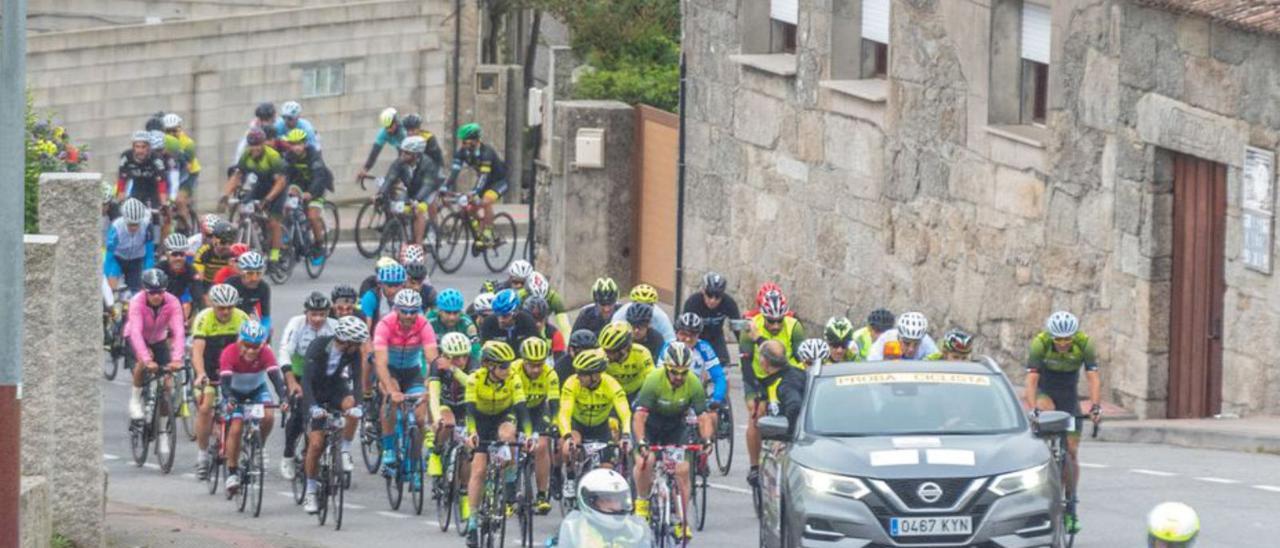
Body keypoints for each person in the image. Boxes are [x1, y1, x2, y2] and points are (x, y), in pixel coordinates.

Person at [1024, 311, 1101, 534]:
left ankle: (1071, 505)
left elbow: (1093, 377)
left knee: (1073, 452)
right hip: (1045, 392)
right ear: (1052, 336)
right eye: (1059, 339)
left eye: (1068, 338)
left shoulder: (1084, 343)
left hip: (1068, 397)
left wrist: (1095, 407)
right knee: (1046, 409)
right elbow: (1031, 380)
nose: (1064, 343)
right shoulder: (1040, 343)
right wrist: (1033, 410)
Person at [631, 343, 714, 541]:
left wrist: (707, 440)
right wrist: (642, 442)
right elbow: (640, 417)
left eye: (683, 372)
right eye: (674, 372)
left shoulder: (693, 383)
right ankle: (642, 502)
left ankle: (681, 519)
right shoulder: (653, 381)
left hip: (675, 427)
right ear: (666, 368)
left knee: (682, 470)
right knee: (647, 461)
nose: (679, 377)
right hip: (650, 425)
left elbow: (703, 416)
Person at [462, 341, 532, 547]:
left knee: (509, 435)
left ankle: (509, 481)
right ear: (489, 366)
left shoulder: (513, 378)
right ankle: (473, 522)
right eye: (503, 366)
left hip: (503, 415)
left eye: (509, 364)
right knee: (478, 470)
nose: (508, 369)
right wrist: (472, 433)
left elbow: (521, 408)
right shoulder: (475, 379)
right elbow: (469, 411)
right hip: (481, 420)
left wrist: (527, 435)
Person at [299, 316, 367, 514]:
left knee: (351, 406)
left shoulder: (353, 353)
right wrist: (312, 407)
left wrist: (360, 406)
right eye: (357, 343)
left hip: (335, 388)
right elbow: (306, 382)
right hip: (315, 392)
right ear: (346, 342)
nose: (360, 347)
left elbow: (357, 379)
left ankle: (344, 449)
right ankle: (311, 491)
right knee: (317, 444)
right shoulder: (318, 347)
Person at [739, 290, 805, 490]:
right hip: (758, 378)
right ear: (763, 316)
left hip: (786, 375)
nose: (776, 325)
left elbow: (801, 358)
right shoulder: (749, 328)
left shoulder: (795, 327)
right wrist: (753, 395)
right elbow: (746, 365)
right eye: (771, 321)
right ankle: (754, 466)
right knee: (756, 415)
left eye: (779, 321)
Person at [372, 289, 440, 468]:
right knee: (390, 397)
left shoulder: (424, 324)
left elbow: (432, 358)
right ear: (396, 309)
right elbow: (380, 363)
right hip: (390, 371)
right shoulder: (385, 325)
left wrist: (429, 385)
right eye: (404, 311)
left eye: (413, 312)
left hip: (412, 372)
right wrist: (390, 389)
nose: (409, 316)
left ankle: (414, 458)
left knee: (419, 418)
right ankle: (388, 447)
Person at [218, 320, 286, 494]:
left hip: (256, 390)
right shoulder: (229, 352)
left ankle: (258, 446)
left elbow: (276, 378)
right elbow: (224, 384)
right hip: (234, 392)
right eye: (247, 345)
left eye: (255, 346)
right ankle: (232, 472)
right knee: (236, 428)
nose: (250, 350)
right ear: (240, 341)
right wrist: (230, 398)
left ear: (262, 344)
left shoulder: (266, 353)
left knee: (269, 416)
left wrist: (284, 397)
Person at [190, 284, 250, 479]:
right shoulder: (203, 318)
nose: (225, 312)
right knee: (206, 407)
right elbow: (197, 351)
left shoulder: (241, 318)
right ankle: (202, 454)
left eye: (229, 307)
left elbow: (248, 349)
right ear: (213, 305)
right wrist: (200, 374)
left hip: (231, 369)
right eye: (221, 308)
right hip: (208, 368)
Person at [278, 292, 338, 480]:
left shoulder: (335, 327)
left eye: (322, 314)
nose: (318, 319)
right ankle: (288, 454)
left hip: (322, 375)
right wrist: (291, 381)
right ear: (306, 313)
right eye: (314, 314)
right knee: (297, 413)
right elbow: (284, 351)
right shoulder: (296, 324)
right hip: (298, 372)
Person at [557, 350, 631, 488]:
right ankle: (570, 478)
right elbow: (564, 412)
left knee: (607, 468)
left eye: (582, 374)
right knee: (568, 447)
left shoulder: (611, 384)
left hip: (601, 428)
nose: (578, 377)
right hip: (577, 426)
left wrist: (626, 434)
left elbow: (625, 412)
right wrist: (567, 436)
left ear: (595, 375)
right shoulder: (571, 383)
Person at [125, 269, 186, 421]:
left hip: (158, 338)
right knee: (142, 362)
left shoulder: (173, 302)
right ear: (145, 290)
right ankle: (135, 400)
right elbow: (136, 333)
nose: (157, 296)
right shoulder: (136, 302)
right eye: (152, 292)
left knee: (167, 385)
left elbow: (178, 331)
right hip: (136, 337)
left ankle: (164, 435)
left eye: (160, 292)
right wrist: (146, 359)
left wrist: (177, 358)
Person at [222, 127, 288, 264]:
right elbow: (237, 176)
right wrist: (226, 194)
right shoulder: (246, 155)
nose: (255, 148)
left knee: (273, 221)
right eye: (252, 145)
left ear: (263, 143)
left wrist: (267, 199)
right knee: (244, 209)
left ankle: (275, 255)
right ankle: (253, 237)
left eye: (258, 145)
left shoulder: (272, 156)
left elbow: (281, 182)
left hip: (277, 188)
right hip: (261, 185)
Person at [513, 336, 559, 515]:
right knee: (510, 443)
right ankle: (509, 489)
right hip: (515, 408)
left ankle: (541, 494)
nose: (535, 369)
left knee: (542, 445)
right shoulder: (513, 371)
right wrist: (527, 432)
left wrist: (554, 423)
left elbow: (554, 403)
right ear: (523, 361)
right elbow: (519, 405)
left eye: (539, 364)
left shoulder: (550, 373)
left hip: (538, 409)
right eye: (531, 364)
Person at [551, 469, 652, 548]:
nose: (615, 505)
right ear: (590, 501)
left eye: (618, 499)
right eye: (608, 500)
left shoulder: (637, 529)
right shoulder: (573, 528)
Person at [446, 123, 510, 246]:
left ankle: (487, 232)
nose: (463, 145)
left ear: (475, 140)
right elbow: (454, 171)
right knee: (470, 208)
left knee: (486, 200)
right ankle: (480, 229)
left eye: (466, 142)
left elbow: (484, 176)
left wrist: (474, 192)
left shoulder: (487, 153)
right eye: (462, 142)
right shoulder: (462, 152)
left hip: (499, 182)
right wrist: (445, 186)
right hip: (484, 182)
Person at [279, 128, 333, 263]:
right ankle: (287, 232)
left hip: (317, 187)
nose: (296, 147)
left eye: (299, 144)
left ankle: (319, 246)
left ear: (305, 144)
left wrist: (311, 193)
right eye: (293, 144)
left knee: (312, 216)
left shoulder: (313, 155)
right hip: (300, 185)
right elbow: (284, 174)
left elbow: (319, 177)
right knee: (287, 203)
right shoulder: (288, 156)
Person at [428, 332, 472, 480]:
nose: (461, 361)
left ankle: (465, 496)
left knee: (469, 448)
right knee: (448, 423)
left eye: (464, 356)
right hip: (445, 404)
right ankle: (436, 452)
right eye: (456, 357)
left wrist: (454, 369)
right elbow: (433, 395)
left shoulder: (474, 363)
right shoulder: (437, 364)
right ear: (445, 356)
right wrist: (436, 418)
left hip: (466, 407)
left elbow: (472, 385)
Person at [381, 136, 437, 245]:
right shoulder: (400, 162)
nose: (402, 155)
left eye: (407, 153)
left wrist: (417, 200)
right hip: (411, 190)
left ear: (416, 155)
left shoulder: (427, 163)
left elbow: (427, 185)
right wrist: (381, 194)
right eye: (402, 152)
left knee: (418, 211)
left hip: (427, 191)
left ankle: (418, 245)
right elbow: (390, 178)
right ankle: (406, 241)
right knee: (398, 209)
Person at [680, 271, 743, 368]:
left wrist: (744, 351)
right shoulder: (693, 303)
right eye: (709, 295)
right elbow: (684, 329)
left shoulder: (729, 303)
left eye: (717, 296)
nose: (713, 300)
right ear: (703, 292)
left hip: (716, 337)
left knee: (723, 366)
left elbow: (738, 330)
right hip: (695, 337)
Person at [670, 312, 728, 412]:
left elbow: (719, 376)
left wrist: (716, 398)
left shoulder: (704, 348)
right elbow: (658, 374)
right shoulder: (668, 347)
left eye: (692, 335)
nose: (687, 339)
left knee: (712, 416)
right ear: (676, 333)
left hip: (696, 395)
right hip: (671, 394)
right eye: (683, 334)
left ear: (698, 335)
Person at [597, 321, 655, 404]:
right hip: (612, 393)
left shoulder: (642, 353)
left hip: (637, 392)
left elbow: (652, 378)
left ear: (625, 348)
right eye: (605, 350)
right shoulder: (599, 355)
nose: (606, 355)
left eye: (611, 352)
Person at [104, 198, 154, 292]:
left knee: (136, 293)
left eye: (136, 224)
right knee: (112, 290)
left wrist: (148, 274)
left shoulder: (147, 225)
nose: (134, 227)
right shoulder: (116, 227)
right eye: (130, 224)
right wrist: (108, 277)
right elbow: (109, 257)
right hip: (117, 259)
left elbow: (149, 255)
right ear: (124, 219)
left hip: (137, 260)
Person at [757, 340, 806, 436]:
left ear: (765, 361)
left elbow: (795, 406)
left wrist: (788, 435)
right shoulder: (777, 378)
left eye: (760, 356)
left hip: (787, 441)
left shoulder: (785, 384)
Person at [116, 131, 168, 213]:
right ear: (133, 147)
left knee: (157, 214)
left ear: (149, 148)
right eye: (137, 147)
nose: (140, 150)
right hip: (137, 186)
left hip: (153, 188)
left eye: (143, 147)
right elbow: (122, 179)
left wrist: (164, 203)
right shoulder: (126, 156)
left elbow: (161, 181)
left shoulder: (156, 159)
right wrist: (120, 199)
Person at [356, 107, 406, 180]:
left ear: (396, 122)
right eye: (386, 127)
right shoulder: (383, 133)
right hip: (401, 151)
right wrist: (365, 169)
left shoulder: (403, 131)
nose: (389, 130)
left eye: (390, 127)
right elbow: (375, 152)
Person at [225, 251, 272, 330]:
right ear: (241, 272)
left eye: (258, 274)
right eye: (249, 274)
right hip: (228, 317)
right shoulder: (230, 284)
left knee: (267, 331)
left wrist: (264, 336)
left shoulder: (264, 287)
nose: (254, 279)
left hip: (246, 316)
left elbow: (265, 317)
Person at [192, 221, 236, 304]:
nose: (227, 246)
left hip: (225, 285)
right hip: (206, 284)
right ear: (213, 239)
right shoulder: (203, 251)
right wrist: (204, 296)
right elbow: (198, 279)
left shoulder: (233, 254)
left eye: (230, 243)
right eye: (223, 242)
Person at [865, 311, 938, 361]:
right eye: (907, 343)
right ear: (899, 338)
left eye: (916, 344)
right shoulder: (886, 339)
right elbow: (871, 364)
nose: (911, 349)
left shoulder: (927, 342)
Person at [158, 233, 195, 321]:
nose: (178, 258)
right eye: (174, 254)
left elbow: (195, 292)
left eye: (182, 254)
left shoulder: (190, 269)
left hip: (180, 301)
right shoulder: (159, 269)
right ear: (167, 255)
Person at [360, 259, 406, 328]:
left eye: (397, 285)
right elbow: (366, 329)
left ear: (403, 284)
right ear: (380, 284)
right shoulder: (370, 297)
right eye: (389, 285)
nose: (393, 291)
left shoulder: (409, 297)